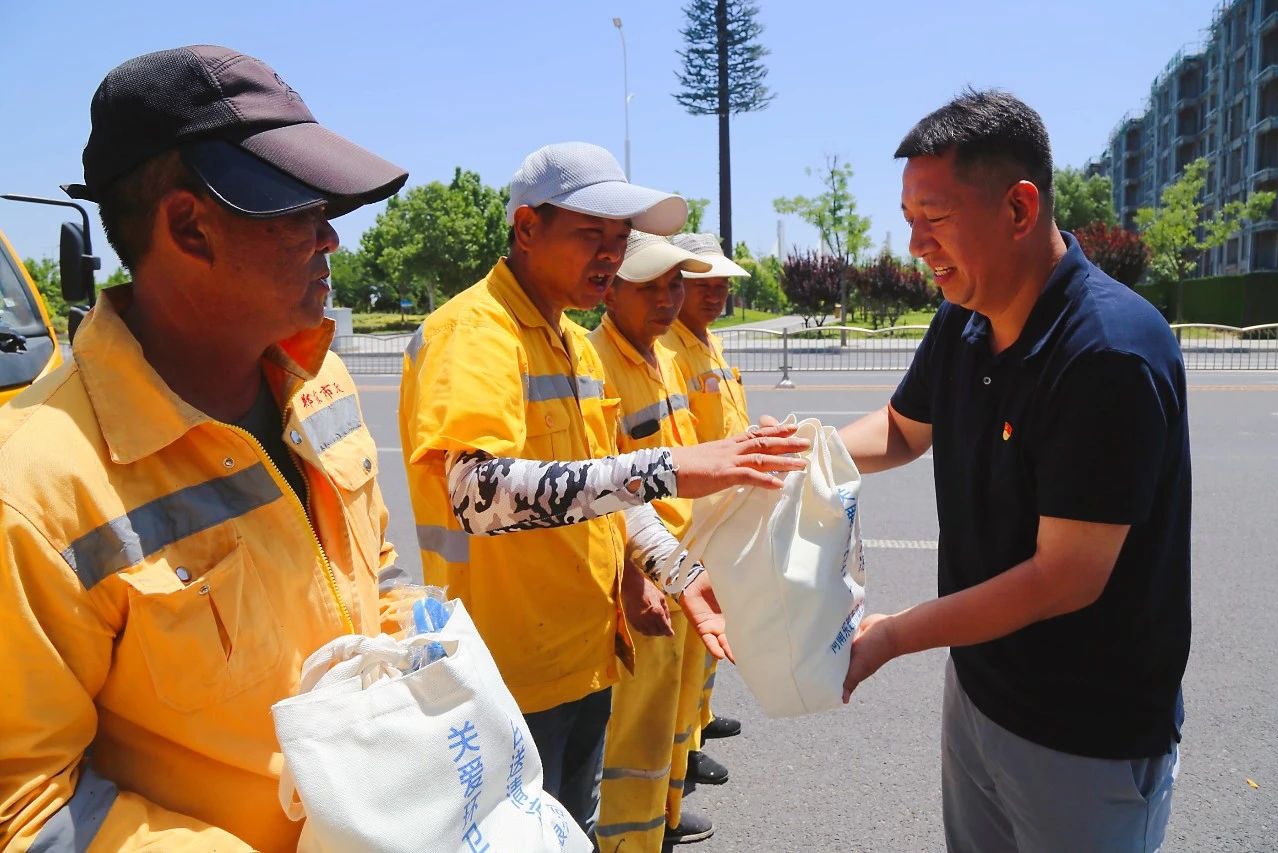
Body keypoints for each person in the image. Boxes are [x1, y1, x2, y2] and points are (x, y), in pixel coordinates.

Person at [0, 45, 410, 851]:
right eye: (297, 208)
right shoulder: (38, 490)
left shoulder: (320, 385)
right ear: (189, 225)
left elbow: (376, 571)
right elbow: (26, 804)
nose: (330, 236)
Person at [398, 142, 807, 838]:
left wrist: (675, 572)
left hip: (582, 658)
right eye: (592, 235)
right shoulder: (473, 334)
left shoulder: (572, 342)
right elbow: (476, 492)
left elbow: (607, 485)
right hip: (507, 678)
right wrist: (670, 467)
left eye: (619, 241)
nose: (611, 257)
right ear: (527, 228)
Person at [835, 89, 1190, 852]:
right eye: (908, 222)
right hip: (981, 693)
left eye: (934, 219)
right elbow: (903, 429)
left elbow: (1062, 577)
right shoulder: (964, 316)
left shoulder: (1108, 353)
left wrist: (893, 636)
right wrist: (802, 451)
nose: (916, 245)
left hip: (1084, 731)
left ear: (1020, 210)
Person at [588, 232, 716, 849]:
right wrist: (637, 579)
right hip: (642, 580)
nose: (667, 300)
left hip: (680, 568)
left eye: (674, 285)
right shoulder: (597, 366)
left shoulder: (660, 359)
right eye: (649, 287)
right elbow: (596, 486)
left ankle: (658, 821)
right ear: (609, 290)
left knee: (663, 718)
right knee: (629, 734)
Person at [664, 232, 753, 785]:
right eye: (706, 284)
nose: (717, 294)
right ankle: (685, 746)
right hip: (692, 518)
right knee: (690, 638)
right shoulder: (670, 349)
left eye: (723, 285)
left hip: (725, 511)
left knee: (713, 633)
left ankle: (700, 716)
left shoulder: (706, 341)